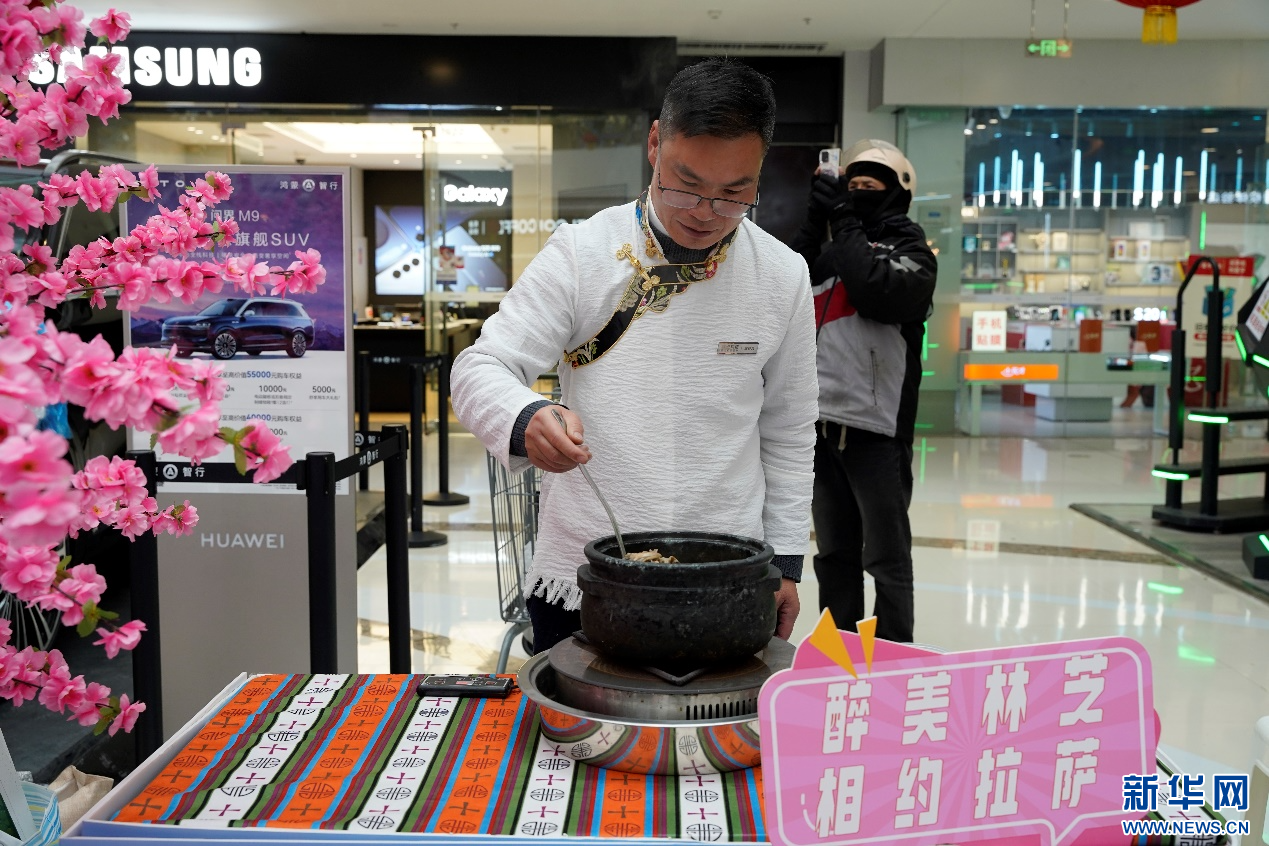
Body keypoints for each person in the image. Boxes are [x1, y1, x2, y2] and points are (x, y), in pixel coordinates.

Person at [452, 58, 818, 656]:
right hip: (585, 576)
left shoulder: (782, 274)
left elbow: (790, 429)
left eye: (734, 194)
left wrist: (786, 563)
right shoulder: (583, 252)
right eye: (686, 184)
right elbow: (480, 366)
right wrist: (524, 418)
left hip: (726, 575)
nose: (705, 212)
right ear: (654, 144)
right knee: (571, 717)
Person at [789, 140, 937, 644]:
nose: (855, 194)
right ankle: (840, 656)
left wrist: (843, 218)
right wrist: (816, 218)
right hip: (823, 426)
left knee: (887, 559)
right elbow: (786, 285)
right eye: (849, 187)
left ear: (896, 194)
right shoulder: (832, 252)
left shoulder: (912, 253)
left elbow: (877, 290)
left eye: (868, 188)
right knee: (834, 554)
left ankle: (893, 659)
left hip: (877, 432)